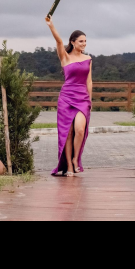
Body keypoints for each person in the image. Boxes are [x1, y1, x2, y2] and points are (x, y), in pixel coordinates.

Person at [45, 15, 92, 177]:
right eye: (81, 41)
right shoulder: (65, 57)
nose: (84, 44)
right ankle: (69, 166)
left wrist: (89, 100)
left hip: (82, 98)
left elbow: (89, 81)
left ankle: (75, 159)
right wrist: (51, 25)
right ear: (73, 42)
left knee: (80, 130)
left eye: (85, 41)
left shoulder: (88, 59)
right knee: (68, 133)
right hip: (66, 97)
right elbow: (59, 42)